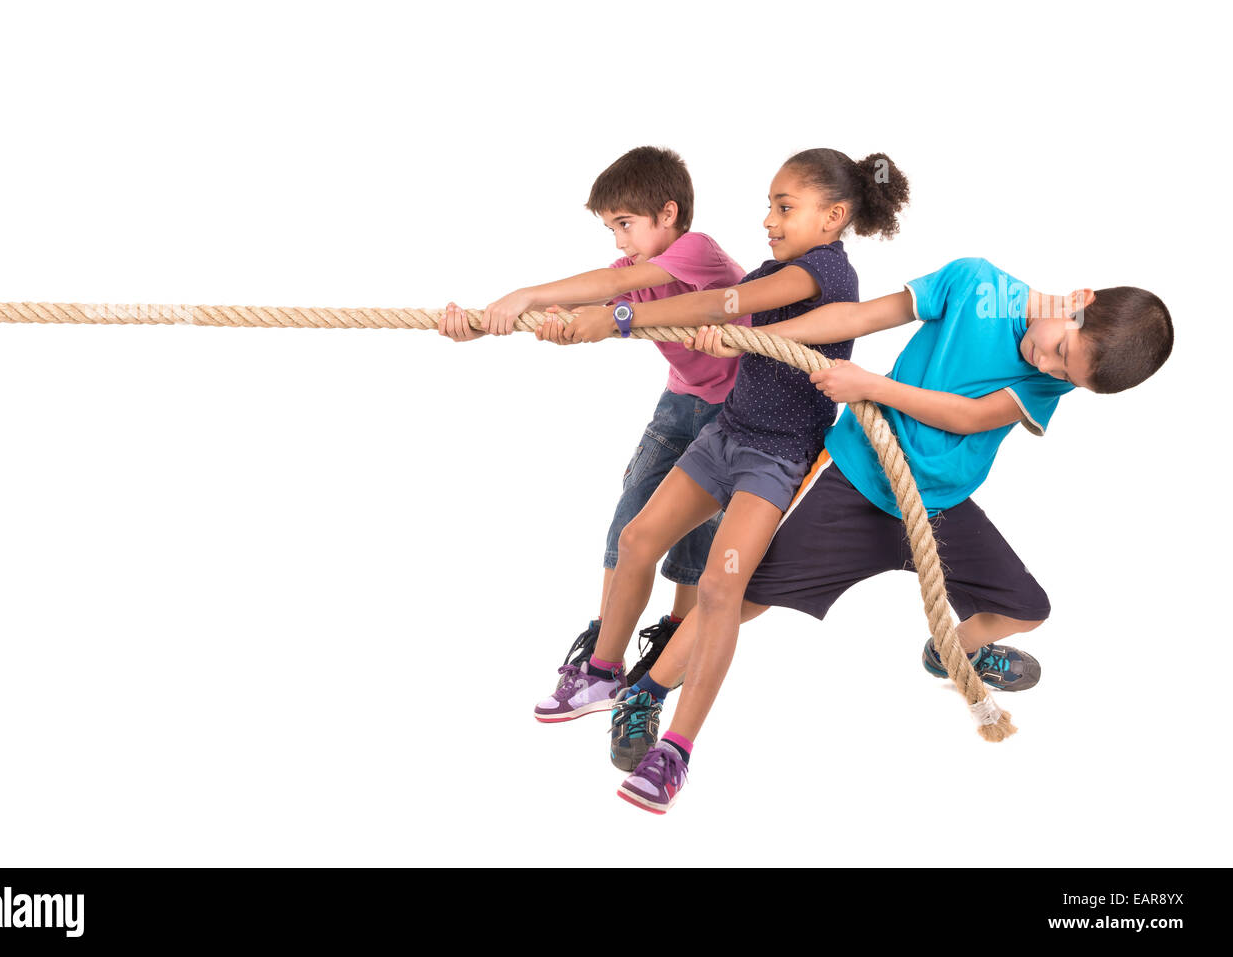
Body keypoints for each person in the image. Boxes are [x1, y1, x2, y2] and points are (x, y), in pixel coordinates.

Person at [614, 259, 1174, 813]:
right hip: (856, 487)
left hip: (936, 507)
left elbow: (969, 417)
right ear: (1077, 299)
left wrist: (872, 385)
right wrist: (753, 339)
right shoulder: (974, 283)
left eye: (1065, 375)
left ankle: (951, 654)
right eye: (1060, 354)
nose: (1049, 367)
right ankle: (649, 693)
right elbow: (861, 317)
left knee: (1027, 608)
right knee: (737, 600)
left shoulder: (1053, 379)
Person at [535, 148, 910, 771]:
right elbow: (714, 310)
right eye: (769, 205)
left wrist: (620, 319)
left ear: (834, 216)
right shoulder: (774, 266)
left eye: (784, 206)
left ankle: (675, 749)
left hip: (777, 458)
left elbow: (722, 306)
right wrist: (585, 317)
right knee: (636, 539)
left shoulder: (826, 274)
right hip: (725, 435)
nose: (768, 218)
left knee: (718, 585)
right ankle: (604, 671)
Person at [438, 145, 749, 711]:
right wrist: (484, 324)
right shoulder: (630, 275)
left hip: (736, 413)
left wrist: (531, 294)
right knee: (631, 521)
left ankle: (669, 640)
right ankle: (604, 650)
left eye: (625, 226)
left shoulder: (696, 251)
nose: (619, 243)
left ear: (669, 214)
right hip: (681, 404)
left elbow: (618, 291)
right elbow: (589, 293)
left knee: (699, 534)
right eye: (611, 229)